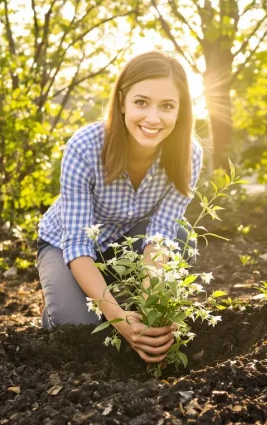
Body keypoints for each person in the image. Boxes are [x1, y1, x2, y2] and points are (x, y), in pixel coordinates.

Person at [35, 51, 203, 364]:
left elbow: (162, 235)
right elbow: (77, 242)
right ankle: (63, 305)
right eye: (142, 102)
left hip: (129, 242)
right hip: (66, 246)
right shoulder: (85, 146)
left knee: (180, 237)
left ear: (181, 110)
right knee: (81, 332)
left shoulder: (188, 154)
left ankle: (111, 300)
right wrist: (117, 318)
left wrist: (149, 308)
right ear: (122, 101)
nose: (153, 118)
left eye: (167, 106)